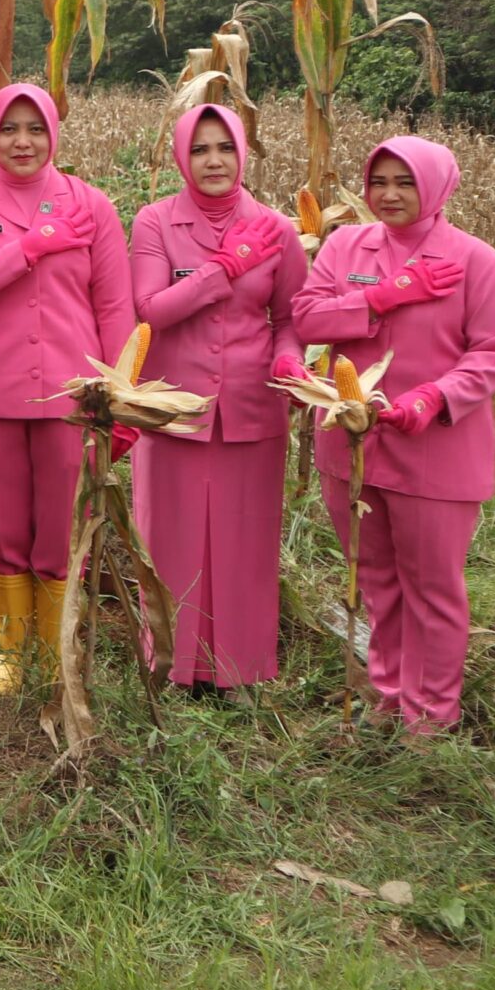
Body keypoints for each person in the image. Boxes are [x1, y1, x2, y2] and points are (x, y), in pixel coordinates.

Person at [292, 138, 495, 731]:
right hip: (353, 445)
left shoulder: (475, 261)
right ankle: (388, 696)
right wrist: (383, 296)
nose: (389, 195)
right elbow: (308, 317)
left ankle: (431, 716)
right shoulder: (345, 245)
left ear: (438, 187)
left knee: (432, 588)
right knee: (376, 579)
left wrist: (435, 395)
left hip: (435, 449)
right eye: (379, 182)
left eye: (405, 182)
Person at [0, 84, 134, 693]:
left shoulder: (91, 206)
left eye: (36, 129)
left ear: (53, 134)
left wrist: (119, 394)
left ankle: (54, 650)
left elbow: (115, 304)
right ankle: (12, 653)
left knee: (60, 525)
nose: (23, 142)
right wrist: (30, 247)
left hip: (71, 398)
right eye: (9, 130)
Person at [127, 105, 307, 694]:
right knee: (170, 537)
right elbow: (151, 308)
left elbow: (291, 318)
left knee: (244, 540)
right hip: (173, 404)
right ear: (182, 157)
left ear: (242, 154)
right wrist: (221, 270)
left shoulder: (277, 229)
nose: (213, 161)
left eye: (224, 149)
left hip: (252, 404)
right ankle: (173, 666)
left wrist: (290, 358)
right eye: (200, 149)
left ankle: (239, 669)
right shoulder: (155, 222)